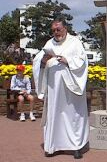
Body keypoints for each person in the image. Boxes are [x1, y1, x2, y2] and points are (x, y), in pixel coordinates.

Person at [32, 17, 89, 159]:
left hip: (71, 88)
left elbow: (83, 61)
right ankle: (53, 146)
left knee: (72, 115)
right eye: (53, 30)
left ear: (65, 28)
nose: (56, 33)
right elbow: (38, 59)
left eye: (58, 29)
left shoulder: (75, 42)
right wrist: (43, 60)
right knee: (54, 115)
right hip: (53, 88)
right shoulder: (49, 43)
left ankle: (75, 147)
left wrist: (67, 60)